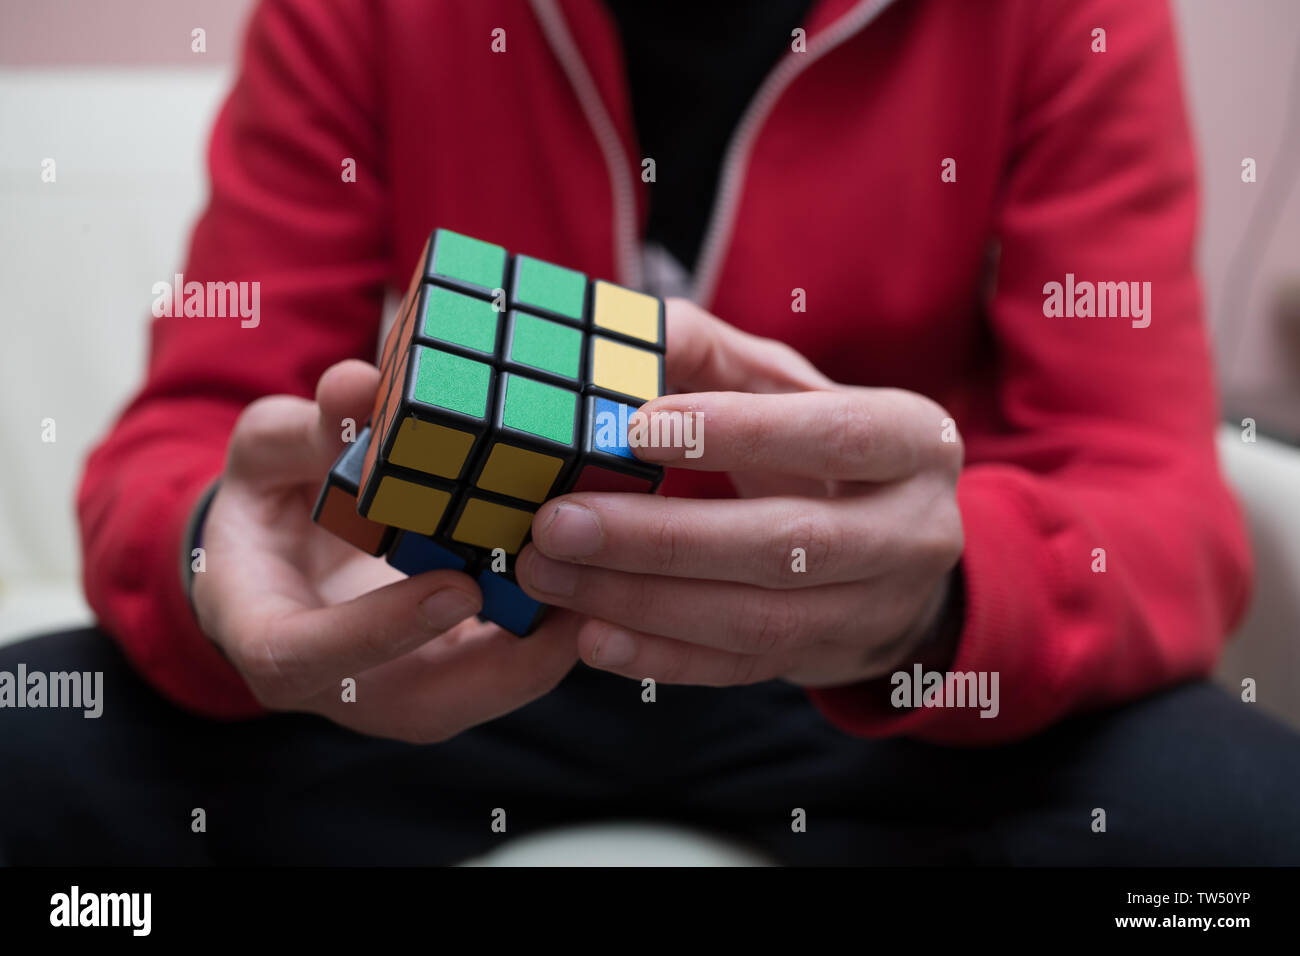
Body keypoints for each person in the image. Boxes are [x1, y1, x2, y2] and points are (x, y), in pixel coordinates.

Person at [3, 0, 1298, 865]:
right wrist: (209, 565)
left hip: (882, 697)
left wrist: (939, 596)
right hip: (444, 647)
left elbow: (1157, 497)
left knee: (1244, 830)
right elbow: (194, 432)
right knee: (26, 749)